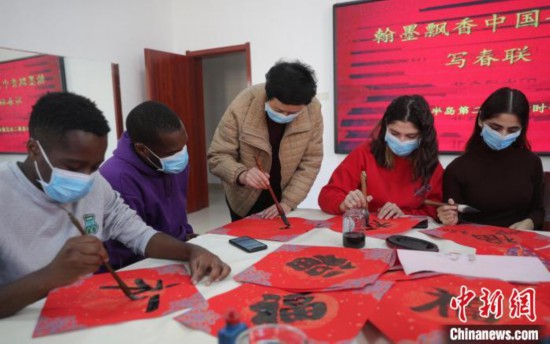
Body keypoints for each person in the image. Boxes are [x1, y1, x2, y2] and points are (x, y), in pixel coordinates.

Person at [0, 92, 230, 318]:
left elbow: (138, 233)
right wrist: (51, 275)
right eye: (74, 166)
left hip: (81, 312)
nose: (86, 178)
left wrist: (191, 251)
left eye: (94, 166)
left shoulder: (96, 184)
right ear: (34, 149)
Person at [207, 60, 323, 221]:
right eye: (279, 110)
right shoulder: (243, 105)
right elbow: (217, 156)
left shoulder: (312, 109)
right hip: (243, 194)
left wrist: (289, 202)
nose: (285, 116)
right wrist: (242, 174)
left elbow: (311, 161)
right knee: (246, 241)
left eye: (292, 113)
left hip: (285, 193)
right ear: (267, 96)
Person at [100, 101, 195, 270]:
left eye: (183, 145)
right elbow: (130, 242)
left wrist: (189, 237)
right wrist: (185, 251)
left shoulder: (173, 161)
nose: (181, 155)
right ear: (142, 150)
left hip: (177, 249)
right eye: (172, 152)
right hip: (139, 263)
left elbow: (179, 208)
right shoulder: (117, 177)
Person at [318, 95, 443, 219]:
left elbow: (436, 210)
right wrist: (343, 203)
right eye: (394, 133)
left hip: (408, 235)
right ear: (385, 128)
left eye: (411, 136)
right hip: (367, 232)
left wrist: (405, 215)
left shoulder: (431, 165)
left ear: (424, 136)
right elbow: (327, 195)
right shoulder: (365, 154)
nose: (401, 141)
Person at [437, 87, 544, 230]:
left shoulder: (532, 163)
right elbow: (451, 216)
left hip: (518, 243)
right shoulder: (458, 168)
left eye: (512, 130)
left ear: (522, 128)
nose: (503, 135)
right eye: (496, 127)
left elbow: (538, 209)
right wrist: (448, 217)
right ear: (481, 120)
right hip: (471, 242)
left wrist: (529, 223)